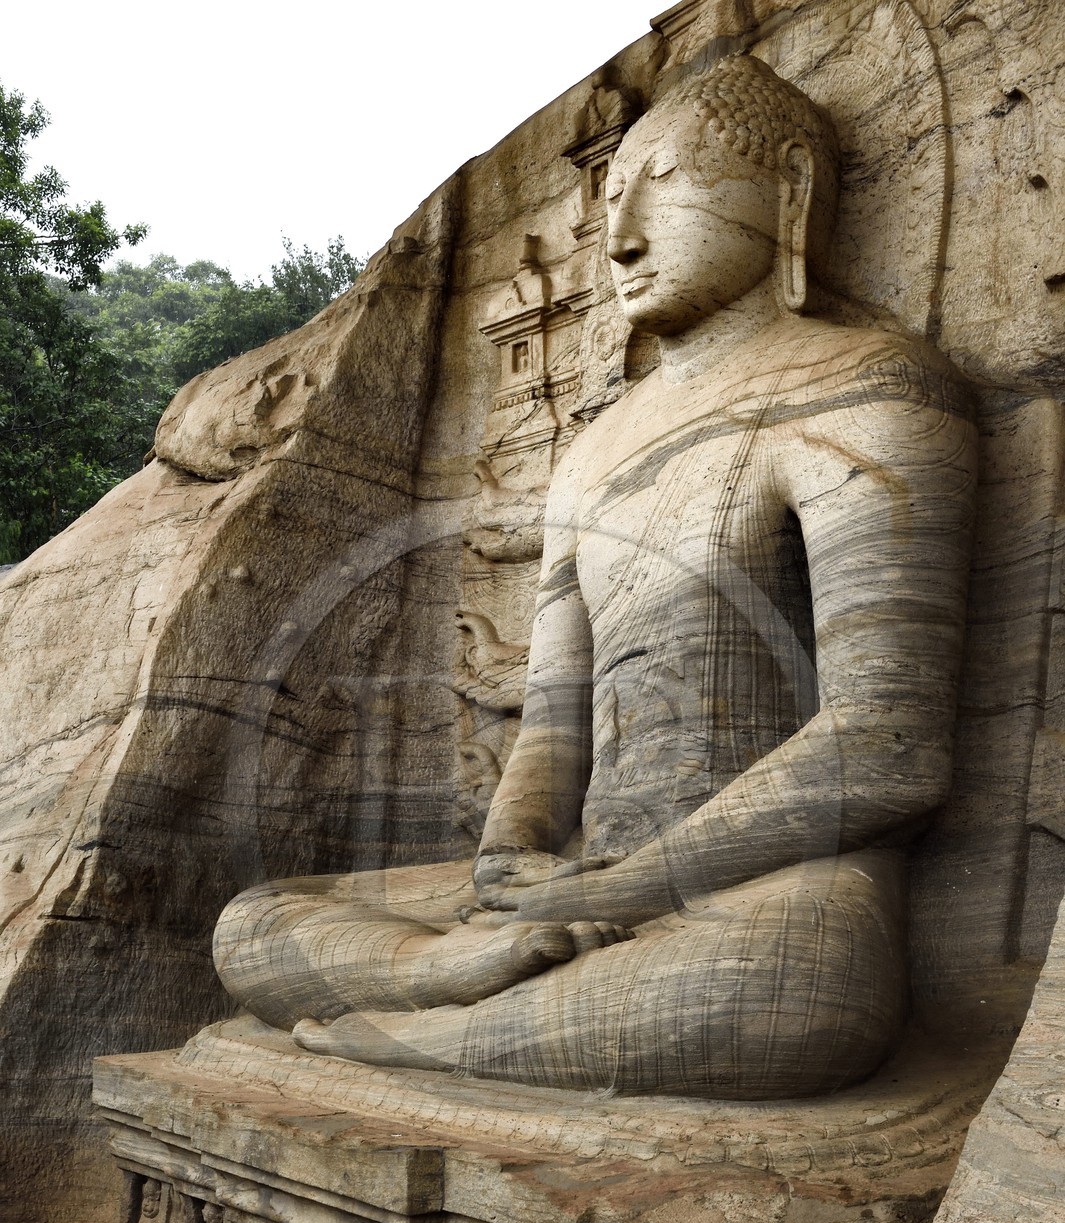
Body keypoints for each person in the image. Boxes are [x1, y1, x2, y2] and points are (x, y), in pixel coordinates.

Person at [212, 53, 975, 1100]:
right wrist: (510, 859)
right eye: (612, 196)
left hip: (762, 887)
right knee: (250, 923)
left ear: (790, 188)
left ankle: (439, 1036)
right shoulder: (593, 453)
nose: (620, 237)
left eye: (666, 183)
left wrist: (633, 884)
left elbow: (888, 743)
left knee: (791, 991)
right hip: (582, 879)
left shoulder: (871, 389)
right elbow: (553, 723)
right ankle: (448, 976)